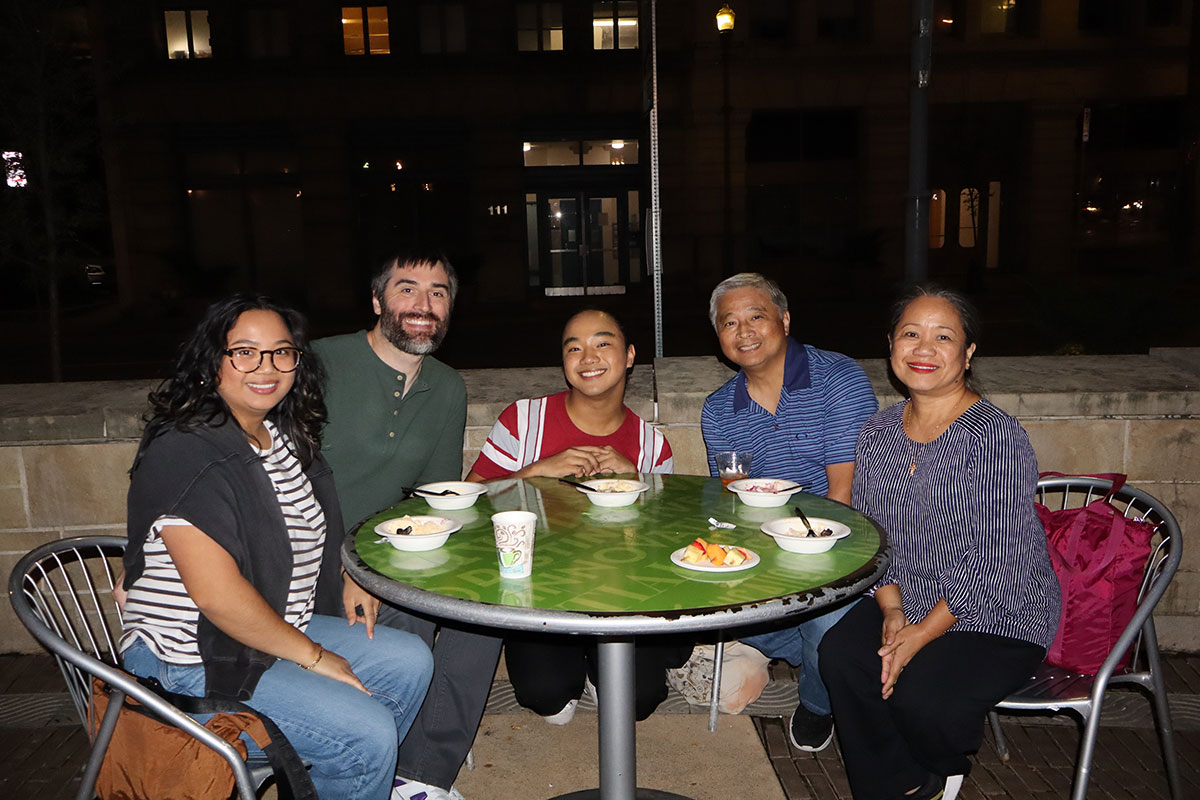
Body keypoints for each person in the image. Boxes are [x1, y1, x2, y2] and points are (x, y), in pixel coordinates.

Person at [119, 294, 434, 799]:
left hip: (265, 631)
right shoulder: (188, 449)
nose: (266, 367)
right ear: (211, 363)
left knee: (408, 660)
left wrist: (347, 571)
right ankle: (355, 761)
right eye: (245, 352)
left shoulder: (275, 436)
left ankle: (347, 776)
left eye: (281, 352)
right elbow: (218, 597)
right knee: (366, 730)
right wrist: (313, 657)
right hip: (192, 659)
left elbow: (310, 529)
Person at [818, 286, 1061, 800]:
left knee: (922, 698)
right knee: (841, 654)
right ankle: (890, 784)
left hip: (1000, 607)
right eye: (911, 334)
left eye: (942, 337)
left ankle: (940, 766)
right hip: (906, 591)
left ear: (968, 353)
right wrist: (890, 611)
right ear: (891, 346)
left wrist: (919, 634)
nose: (923, 349)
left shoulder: (994, 437)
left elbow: (995, 562)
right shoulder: (878, 430)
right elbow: (873, 535)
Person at [312, 251, 498, 800]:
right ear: (377, 301)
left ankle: (422, 778)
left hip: (385, 549)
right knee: (410, 617)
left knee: (480, 610)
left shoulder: (446, 388)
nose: (424, 305)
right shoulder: (318, 364)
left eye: (438, 293)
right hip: (304, 558)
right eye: (407, 289)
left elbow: (429, 499)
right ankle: (385, 758)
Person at [467, 309, 686, 723]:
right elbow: (469, 502)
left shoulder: (650, 445)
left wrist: (639, 479)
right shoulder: (523, 421)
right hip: (540, 594)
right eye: (574, 347)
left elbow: (664, 534)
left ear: (630, 355)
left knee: (635, 703)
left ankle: (599, 666)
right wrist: (533, 471)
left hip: (623, 595)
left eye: (603, 343)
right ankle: (577, 668)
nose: (588, 357)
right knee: (547, 699)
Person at [700, 272, 878, 751]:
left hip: (843, 548)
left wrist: (794, 574)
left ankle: (819, 702)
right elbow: (735, 502)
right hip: (769, 550)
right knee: (714, 605)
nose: (744, 331)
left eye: (756, 316)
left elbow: (845, 497)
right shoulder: (719, 410)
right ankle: (817, 653)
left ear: (784, 319)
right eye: (729, 323)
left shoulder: (838, 379)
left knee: (825, 624)